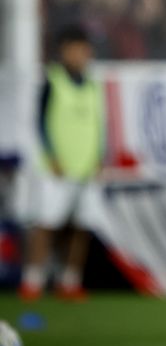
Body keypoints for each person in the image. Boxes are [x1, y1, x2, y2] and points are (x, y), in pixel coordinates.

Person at [18, 24, 106, 302]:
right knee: (46, 225)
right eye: (76, 48)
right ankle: (32, 281)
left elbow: (98, 125)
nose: (81, 54)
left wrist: (99, 158)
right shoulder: (52, 80)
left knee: (81, 227)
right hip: (57, 168)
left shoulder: (93, 83)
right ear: (63, 50)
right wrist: (51, 157)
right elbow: (40, 124)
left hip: (87, 168)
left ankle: (70, 281)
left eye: (85, 49)